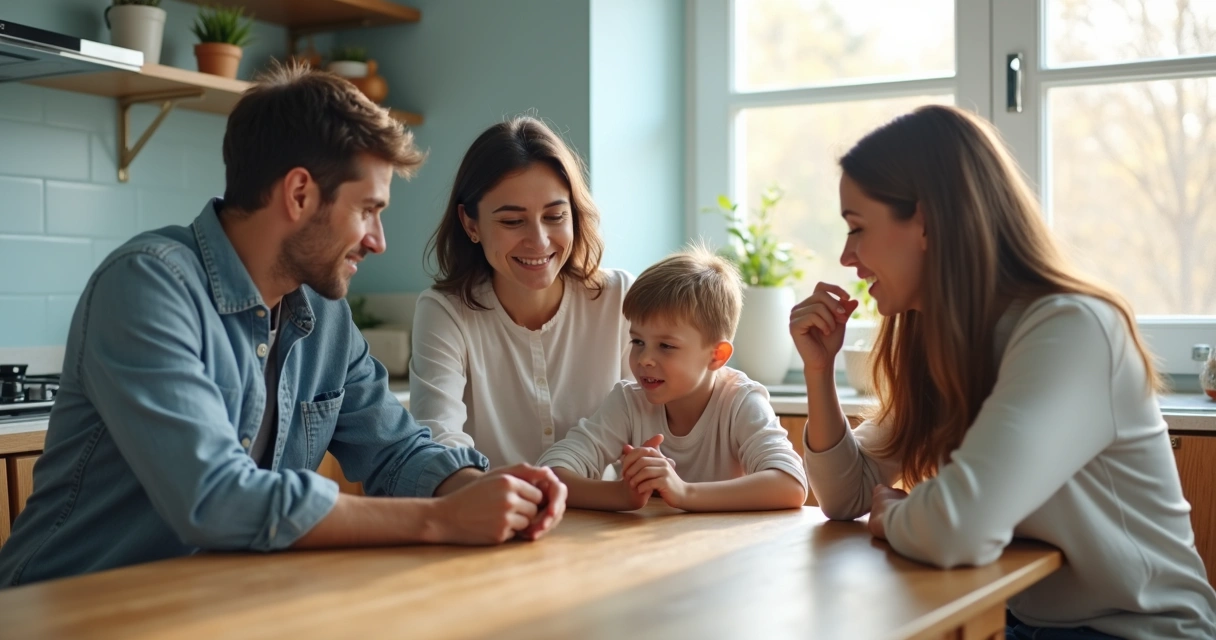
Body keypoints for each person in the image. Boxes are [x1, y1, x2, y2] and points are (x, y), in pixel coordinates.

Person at [0, 65, 565, 588]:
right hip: (64, 609)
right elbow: (216, 499)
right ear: (299, 194)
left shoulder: (323, 314)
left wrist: (489, 492)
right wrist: (442, 519)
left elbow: (396, 451)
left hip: (213, 606)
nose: (378, 240)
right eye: (368, 209)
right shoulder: (148, 285)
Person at [790, 104, 1216, 639]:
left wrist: (898, 515)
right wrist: (818, 371)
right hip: (1026, 623)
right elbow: (846, 496)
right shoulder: (942, 338)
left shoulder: (1072, 330)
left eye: (857, 228)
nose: (848, 256)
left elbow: (960, 527)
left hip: (1138, 631)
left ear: (924, 221)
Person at [410, 116, 633, 467]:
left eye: (555, 216)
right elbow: (439, 441)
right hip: (491, 514)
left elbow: (649, 425)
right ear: (471, 224)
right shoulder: (445, 312)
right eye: (512, 221)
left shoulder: (619, 298)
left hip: (609, 516)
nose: (539, 241)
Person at [538, 247, 807, 512]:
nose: (644, 359)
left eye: (666, 346)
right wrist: (620, 495)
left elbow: (791, 484)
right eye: (638, 341)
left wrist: (683, 492)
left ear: (717, 355)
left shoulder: (740, 402)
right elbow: (550, 474)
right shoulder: (629, 402)